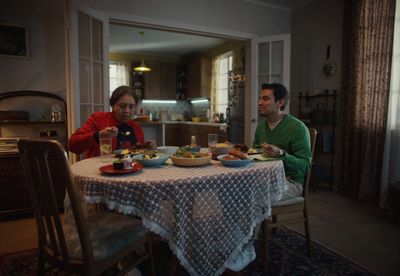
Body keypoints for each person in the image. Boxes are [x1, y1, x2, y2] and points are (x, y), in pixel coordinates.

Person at [253, 83, 311, 200]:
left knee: (253, 196)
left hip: (291, 182)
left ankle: (256, 218)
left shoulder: (297, 128)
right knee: (232, 188)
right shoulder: (260, 127)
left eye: (265, 99)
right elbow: (255, 154)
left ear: (280, 102)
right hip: (266, 178)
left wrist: (281, 154)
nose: (259, 103)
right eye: (260, 98)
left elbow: (305, 166)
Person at [68, 86, 144, 159]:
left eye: (131, 107)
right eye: (122, 106)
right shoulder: (98, 119)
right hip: (98, 168)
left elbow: (139, 152)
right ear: (112, 105)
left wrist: (147, 147)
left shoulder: (135, 126)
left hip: (130, 169)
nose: (127, 111)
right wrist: (98, 135)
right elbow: (72, 146)